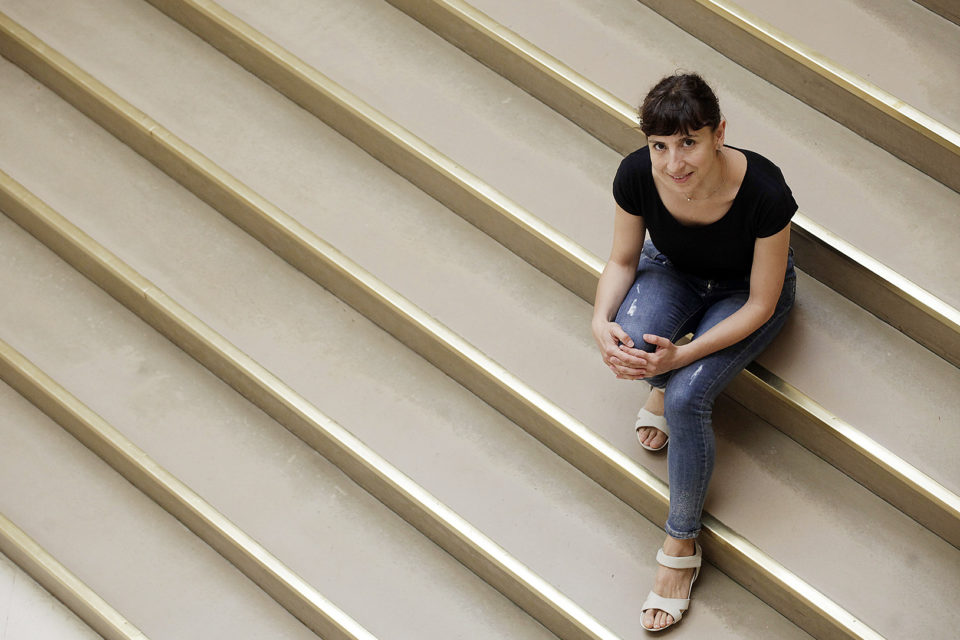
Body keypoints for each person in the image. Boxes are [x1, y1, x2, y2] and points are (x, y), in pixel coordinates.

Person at [591, 72, 797, 632]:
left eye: (689, 142)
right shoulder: (637, 174)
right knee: (630, 345)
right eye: (661, 145)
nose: (673, 162)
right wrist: (598, 320)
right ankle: (655, 377)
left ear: (719, 134)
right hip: (673, 271)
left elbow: (759, 303)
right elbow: (623, 261)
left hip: (745, 293)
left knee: (684, 400)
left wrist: (681, 361)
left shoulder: (765, 193)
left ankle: (680, 543)